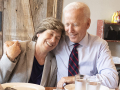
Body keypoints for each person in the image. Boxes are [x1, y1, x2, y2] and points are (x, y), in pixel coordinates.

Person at [53, 2, 118, 89]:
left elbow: (112, 80)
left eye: (75, 24)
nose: (70, 30)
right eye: (67, 24)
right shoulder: (58, 41)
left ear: (88, 23)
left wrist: (76, 79)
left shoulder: (100, 45)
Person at [0, 17, 65, 87]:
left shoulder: (54, 62)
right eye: (51, 34)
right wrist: (9, 57)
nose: (53, 40)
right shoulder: (18, 48)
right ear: (38, 33)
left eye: (57, 38)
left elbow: (50, 87)